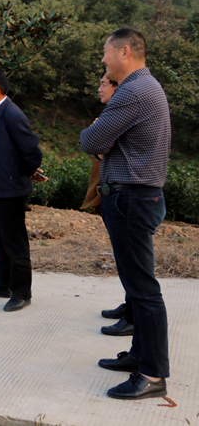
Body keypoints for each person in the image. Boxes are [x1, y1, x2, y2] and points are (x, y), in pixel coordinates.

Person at [81, 27, 171, 400]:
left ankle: (152, 374)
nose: (103, 61)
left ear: (125, 52)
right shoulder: (145, 87)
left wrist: (101, 139)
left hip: (132, 199)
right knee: (137, 287)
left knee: (143, 290)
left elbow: (91, 140)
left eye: (106, 54)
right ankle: (139, 356)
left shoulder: (133, 91)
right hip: (136, 197)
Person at [0, 67, 45, 312]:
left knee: (15, 243)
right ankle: (3, 284)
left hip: (10, 190)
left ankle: (22, 293)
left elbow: (32, 153)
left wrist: (18, 174)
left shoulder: (12, 114)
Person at [81, 72, 133, 338]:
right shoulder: (114, 114)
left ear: (116, 88)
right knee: (125, 256)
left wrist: (95, 133)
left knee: (130, 258)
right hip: (112, 190)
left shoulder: (119, 114)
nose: (99, 88)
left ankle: (133, 314)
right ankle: (130, 305)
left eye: (103, 84)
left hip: (124, 194)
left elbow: (99, 146)